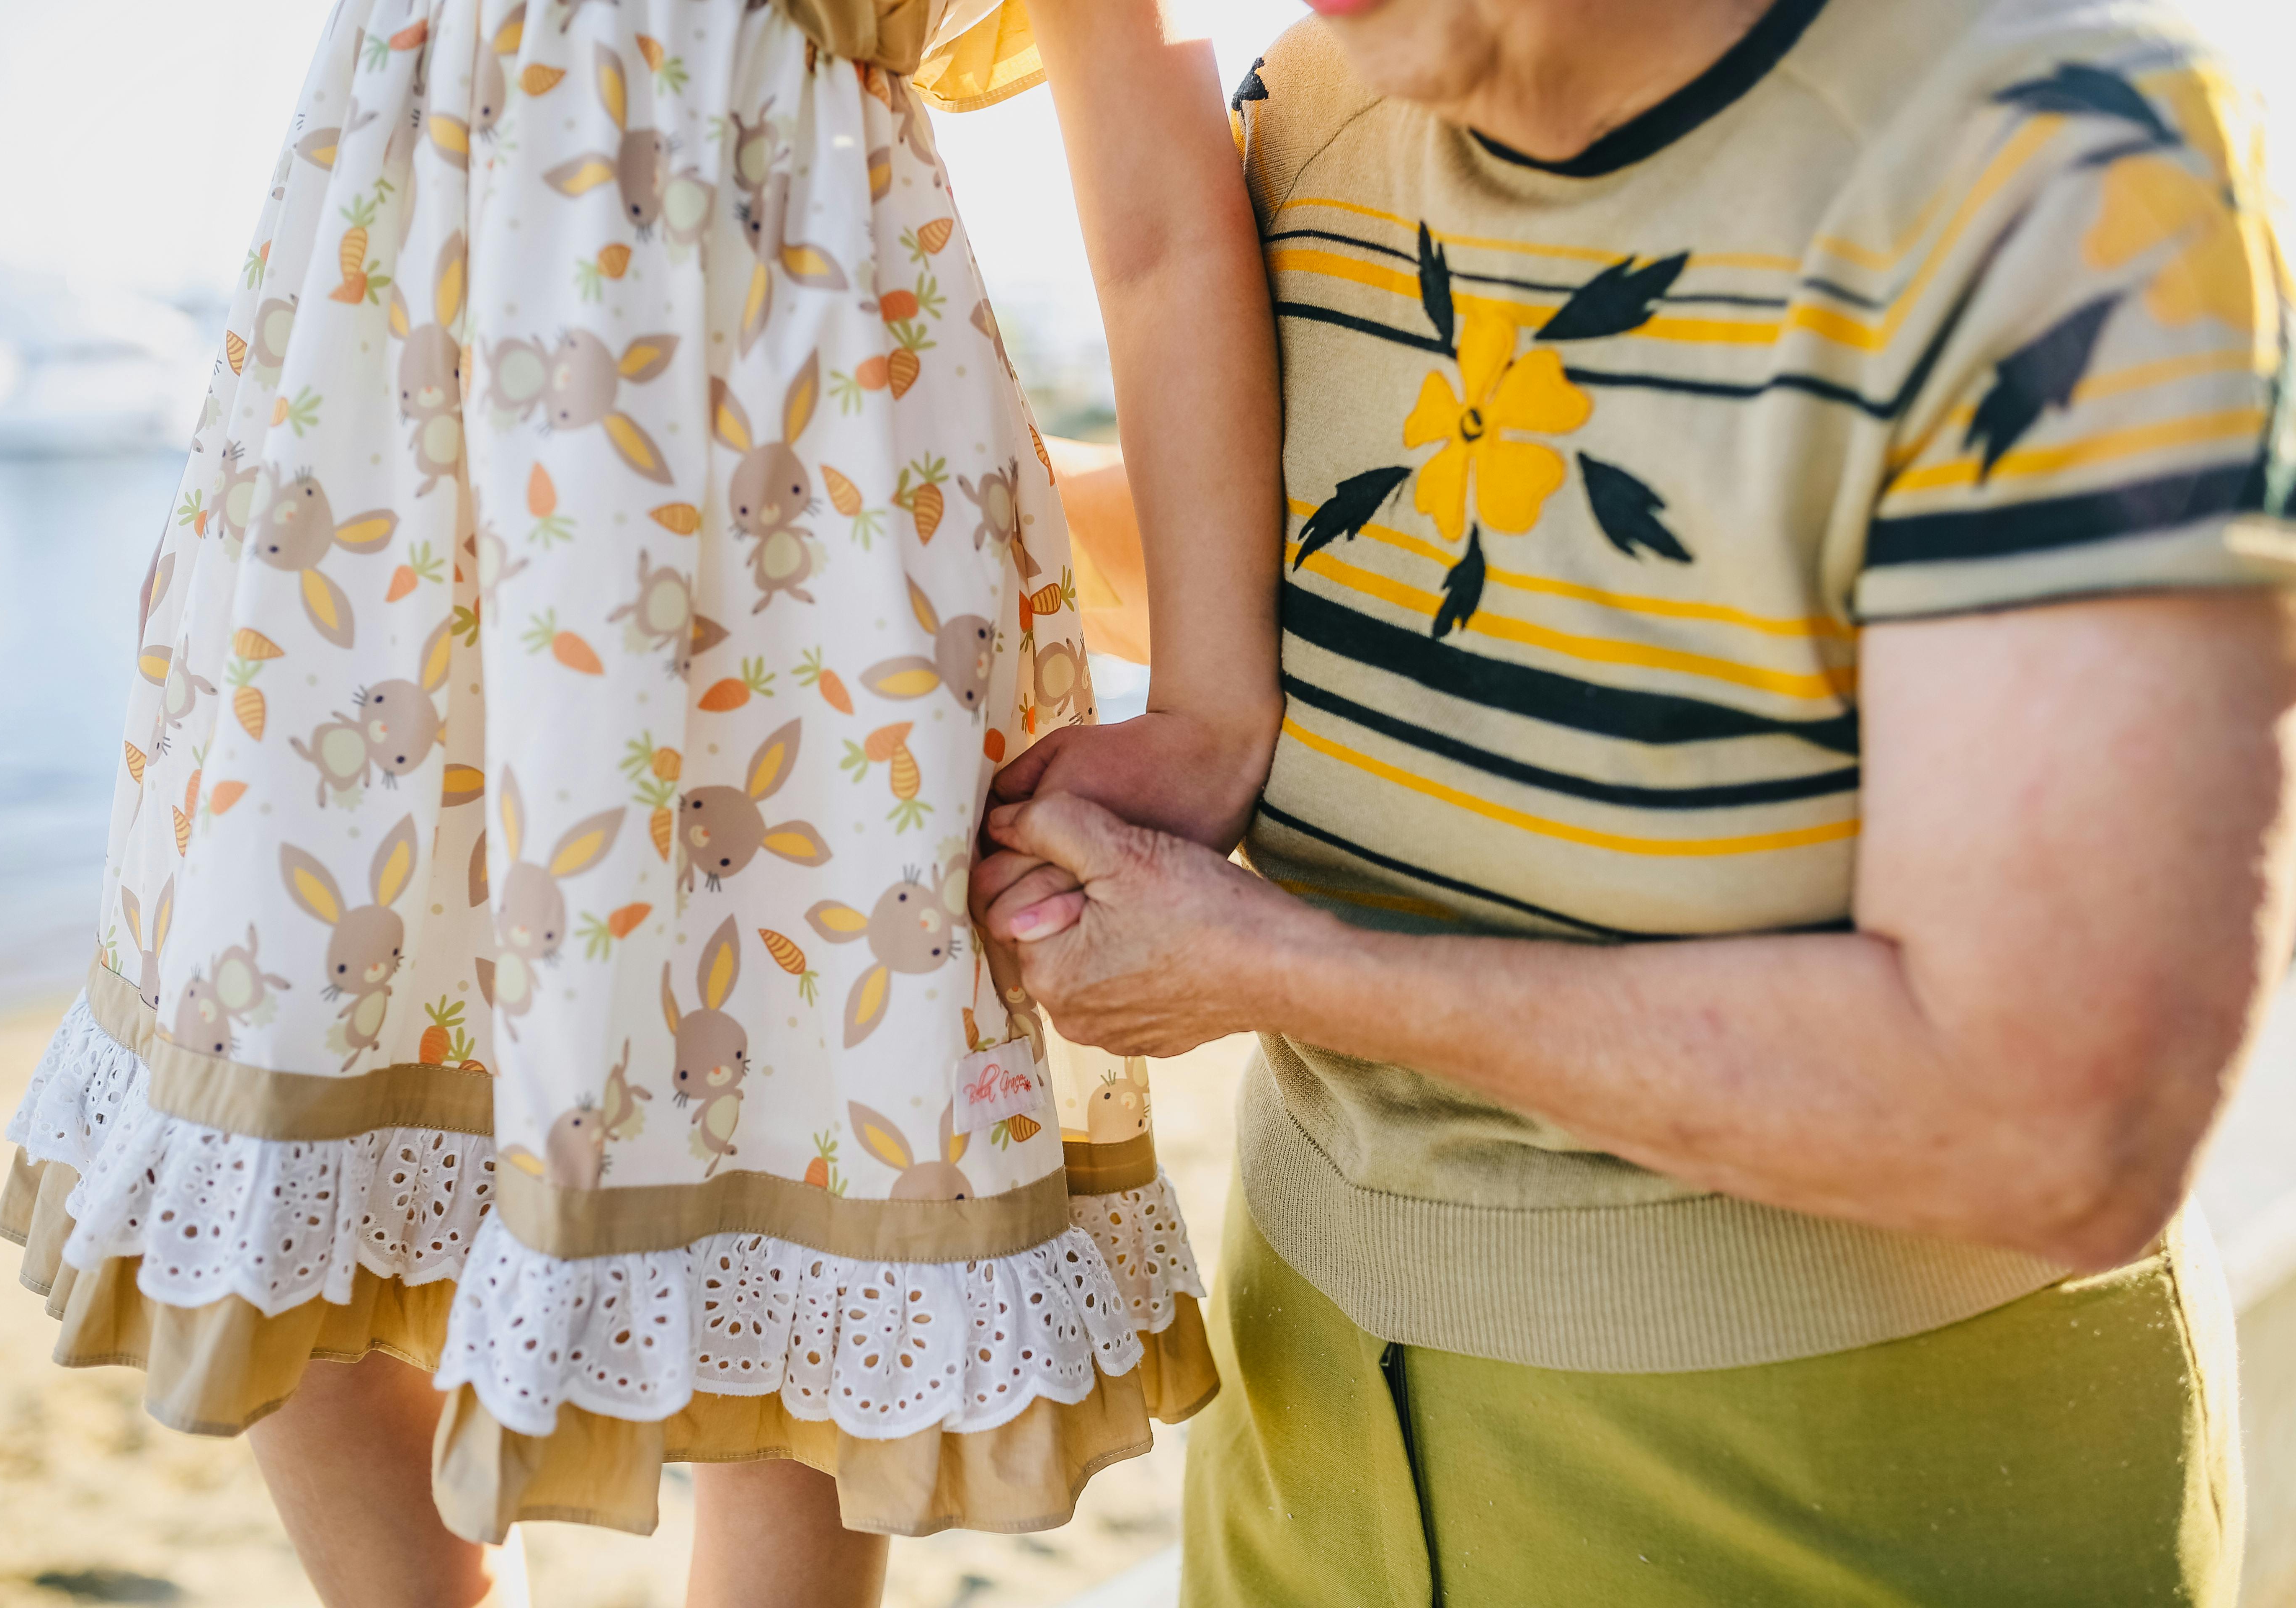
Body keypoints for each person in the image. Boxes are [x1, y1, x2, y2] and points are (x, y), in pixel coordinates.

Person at [977, 0, 2296, 1600]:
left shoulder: (2055, 175)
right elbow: (1260, 574)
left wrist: (1269, 967)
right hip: (1298, 1450)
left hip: (1854, 1491)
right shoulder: (1321, 109)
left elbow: (2064, 1123)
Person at [0, 0, 1281, 1603]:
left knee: (806, 1107)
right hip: (372, 491)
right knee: (285, 1066)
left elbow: (1160, 218)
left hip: (795, 519)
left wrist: (1216, 702)